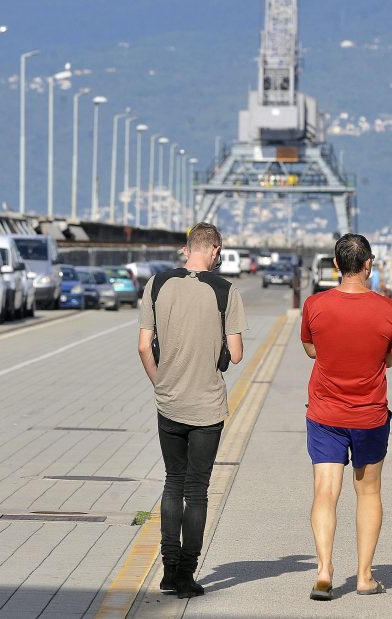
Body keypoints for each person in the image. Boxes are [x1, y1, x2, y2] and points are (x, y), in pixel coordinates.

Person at [138, 222, 248, 599]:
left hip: (168, 401)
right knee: (197, 491)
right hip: (207, 406)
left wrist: (161, 382)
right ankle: (187, 575)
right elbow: (235, 354)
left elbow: (143, 346)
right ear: (215, 250)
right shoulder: (226, 291)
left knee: (172, 481)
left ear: (188, 249)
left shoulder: (156, 284)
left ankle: (168, 572)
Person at [300, 233, 392, 601]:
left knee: (325, 491)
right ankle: (364, 576)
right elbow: (389, 359)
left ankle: (324, 571)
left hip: (325, 411)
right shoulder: (388, 309)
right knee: (368, 491)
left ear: (336, 266)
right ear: (369, 264)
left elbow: (311, 349)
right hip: (370, 414)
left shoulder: (314, 304)